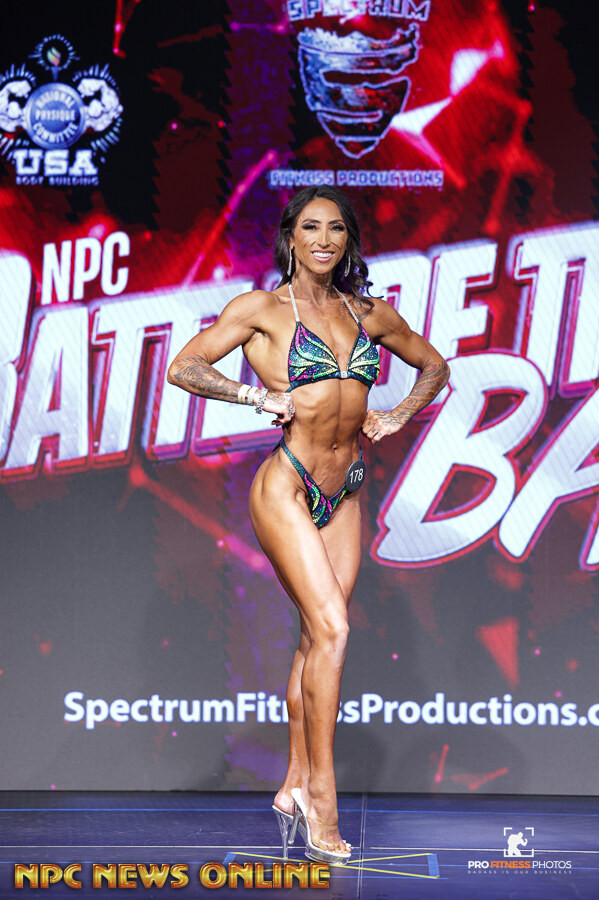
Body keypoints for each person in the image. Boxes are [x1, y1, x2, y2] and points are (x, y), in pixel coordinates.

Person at [167, 185, 450, 864]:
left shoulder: (367, 312)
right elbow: (184, 366)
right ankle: (322, 793)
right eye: (311, 228)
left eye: (336, 229)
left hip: (344, 491)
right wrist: (252, 394)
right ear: (290, 237)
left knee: (313, 640)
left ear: (348, 241)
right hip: (287, 485)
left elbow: (435, 366)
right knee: (334, 630)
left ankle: (292, 785)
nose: (324, 240)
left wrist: (399, 414)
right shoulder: (262, 309)